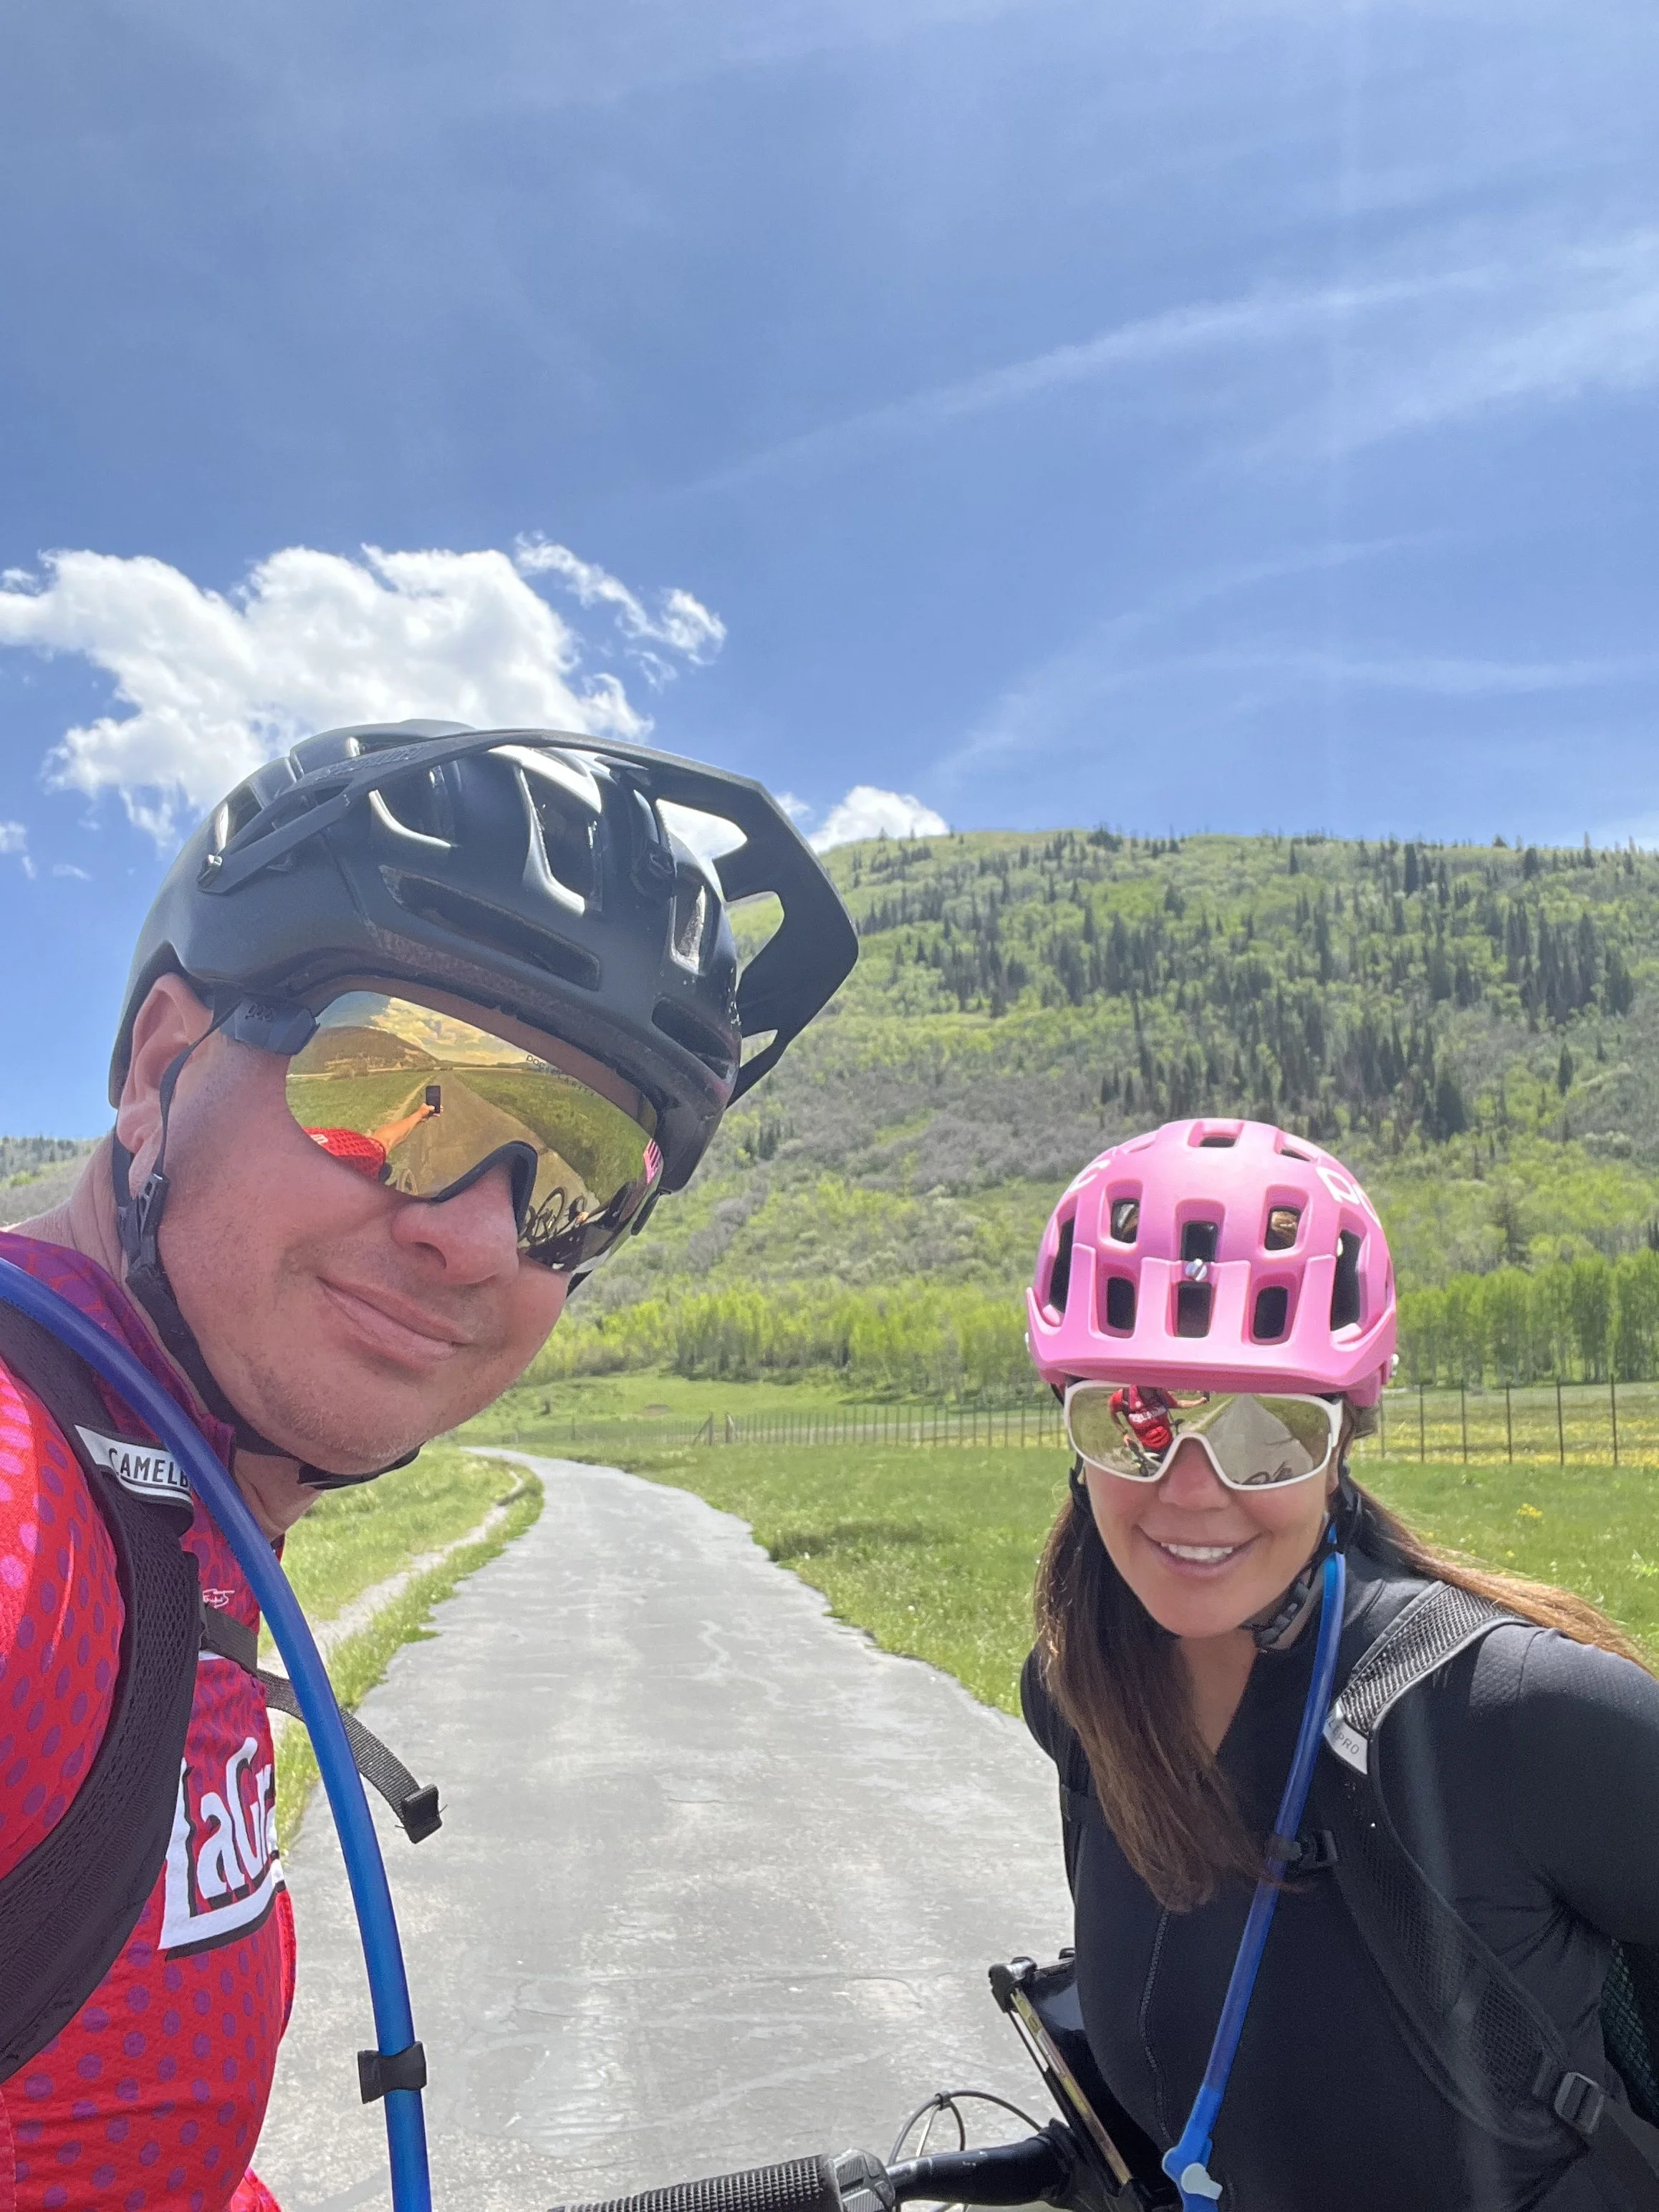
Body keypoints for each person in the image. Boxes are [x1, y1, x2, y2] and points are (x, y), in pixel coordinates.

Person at [0, 720, 855, 2212]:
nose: (471, 1232)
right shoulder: (28, 1503)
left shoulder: (158, 1494)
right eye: (394, 1085)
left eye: (572, 1174)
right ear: (160, 1064)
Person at [1022, 1116, 1659, 2212]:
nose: (1191, 1485)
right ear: (1072, 1438)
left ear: (1343, 1443)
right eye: (1136, 1416)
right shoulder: (1083, 1694)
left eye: (1269, 1429)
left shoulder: (1515, 1715)